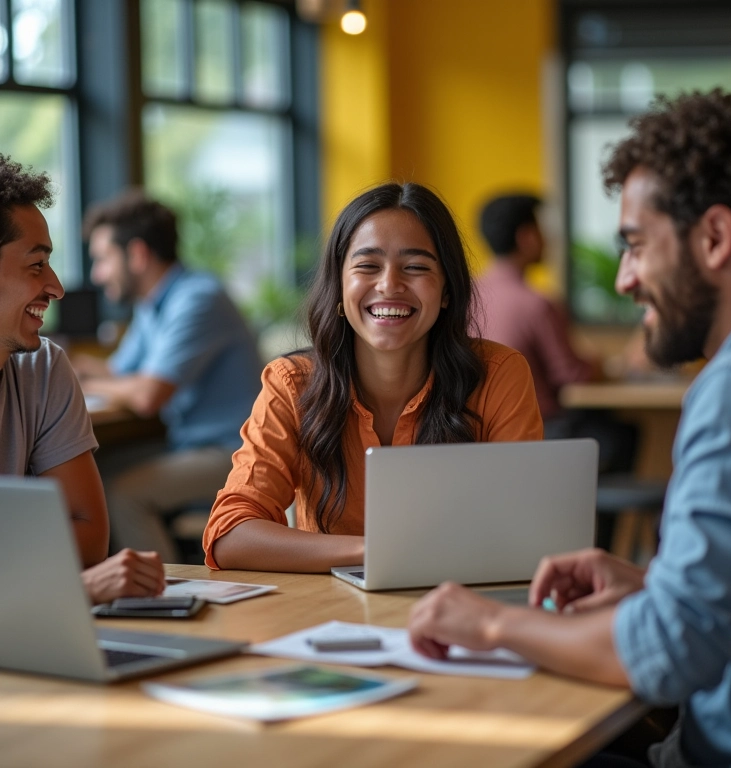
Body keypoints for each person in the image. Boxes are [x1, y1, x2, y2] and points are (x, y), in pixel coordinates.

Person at [408, 89, 731, 768]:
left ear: (715, 237)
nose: (627, 278)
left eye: (636, 245)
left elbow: (667, 655)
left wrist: (490, 621)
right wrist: (653, 585)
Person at [203, 182, 543, 573]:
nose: (389, 285)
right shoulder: (292, 384)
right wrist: (376, 552)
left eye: (416, 267)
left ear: (447, 290)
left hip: (457, 607)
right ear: (340, 285)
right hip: (327, 617)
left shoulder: (498, 376)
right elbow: (230, 534)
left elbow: (524, 530)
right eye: (367, 266)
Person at [0, 153, 165, 604]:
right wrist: (73, 587)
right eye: (36, 265)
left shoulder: (44, 366)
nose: (57, 286)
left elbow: (88, 539)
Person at [74, 191, 263, 563]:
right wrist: (66, 364)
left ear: (138, 254)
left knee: (122, 493)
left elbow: (147, 395)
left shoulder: (197, 298)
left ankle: (167, 599)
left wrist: (84, 384)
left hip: (236, 452)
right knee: (88, 472)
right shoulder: (154, 303)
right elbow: (121, 372)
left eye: (102, 259)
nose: (97, 274)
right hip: (191, 443)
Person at [475, 194, 637, 475]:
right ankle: (594, 518)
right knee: (624, 433)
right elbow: (572, 375)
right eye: (542, 231)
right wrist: (604, 363)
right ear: (526, 237)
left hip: (478, 438)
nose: (548, 240)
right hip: (540, 436)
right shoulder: (536, 304)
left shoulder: (463, 297)